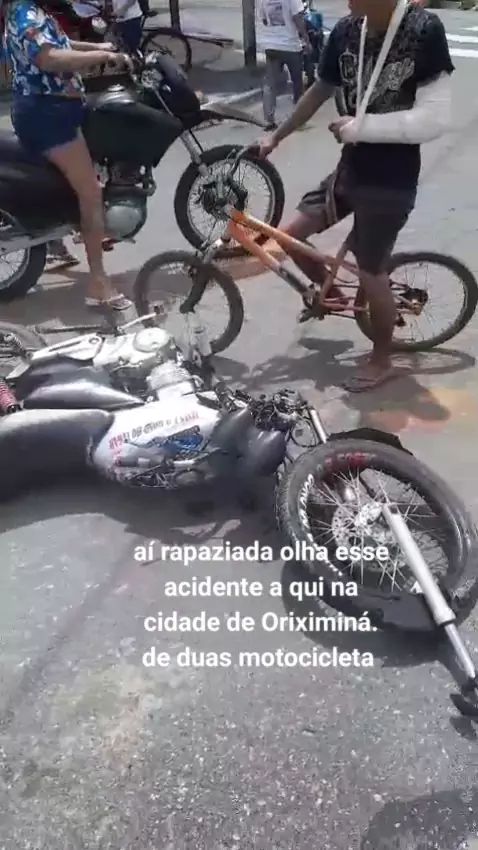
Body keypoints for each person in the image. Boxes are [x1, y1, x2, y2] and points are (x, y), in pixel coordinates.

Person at [257, 0, 454, 392]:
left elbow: (434, 119)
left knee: (371, 272)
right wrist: (276, 136)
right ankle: (335, 297)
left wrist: (363, 128)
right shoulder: (347, 30)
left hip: (391, 180)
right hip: (350, 169)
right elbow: (321, 88)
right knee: (289, 237)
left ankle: (382, 359)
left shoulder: (423, 30)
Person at [4, 0, 133, 309]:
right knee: (90, 193)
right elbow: (49, 57)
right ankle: (98, 282)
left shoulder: (34, 11)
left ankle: (61, 239)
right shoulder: (25, 13)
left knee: (74, 180)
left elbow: (58, 43)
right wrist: (103, 57)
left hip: (53, 109)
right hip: (48, 115)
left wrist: (96, 47)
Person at [257, 0, 311, 131]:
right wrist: (306, 39)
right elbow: (297, 18)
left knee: (270, 83)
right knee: (297, 83)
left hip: (270, 45)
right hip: (290, 45)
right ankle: (298, 120)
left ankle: (268, 121)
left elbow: (264, 19)